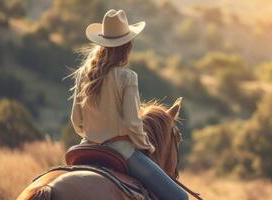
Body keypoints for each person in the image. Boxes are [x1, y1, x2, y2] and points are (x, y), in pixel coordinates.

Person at [69, 9, 188, 200]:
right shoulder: (127, 77)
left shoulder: (84, 75)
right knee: (179, 197)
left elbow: (76, 120)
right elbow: (133, 123)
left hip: (86, 147)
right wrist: (147, 146)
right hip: (121, 151)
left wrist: (94, 137)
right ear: (127, 46)